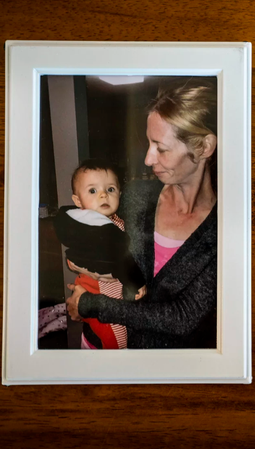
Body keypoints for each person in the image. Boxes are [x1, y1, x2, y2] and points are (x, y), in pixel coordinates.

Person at [65, 81, 218, 349]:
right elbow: (98, 233)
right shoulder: (137, 197)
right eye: (149, 143)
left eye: (161, 148)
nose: (148, 159)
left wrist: (90, 304)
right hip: (110, 347)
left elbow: (181, 317)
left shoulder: (224, 227)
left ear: (204, 147)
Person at [52, 159, 146, 349]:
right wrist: (136, 282)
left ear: (120, 193)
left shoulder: (117, 221)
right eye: (93, 191)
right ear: (78, 201)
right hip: (100, 290)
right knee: (117, 337)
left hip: (109, 296)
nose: (103, 195)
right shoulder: (87, 227)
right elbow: (119, 260)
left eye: (110, 189)